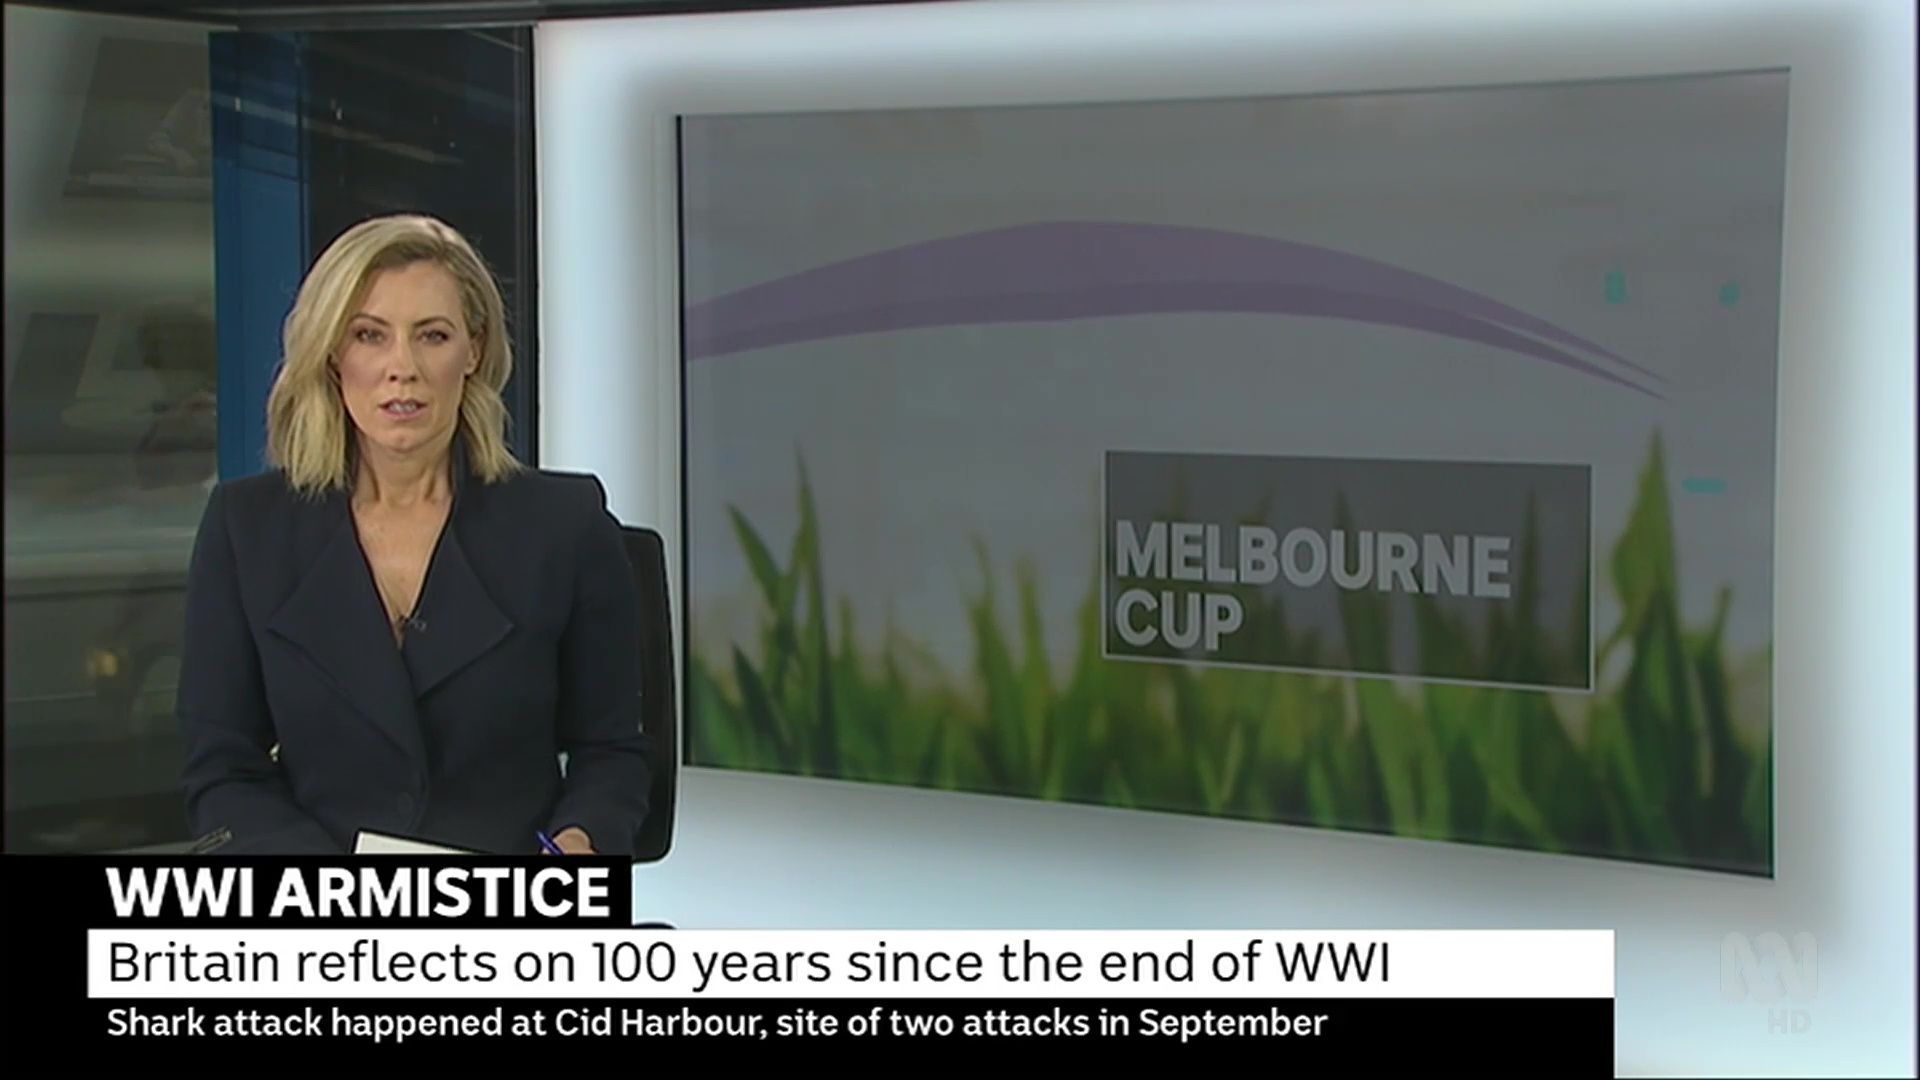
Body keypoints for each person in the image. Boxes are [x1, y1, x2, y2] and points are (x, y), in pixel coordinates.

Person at [176, 213, 651, 855]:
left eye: (432, 335)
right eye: (369, 335)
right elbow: (222, 771)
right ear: (333, 354)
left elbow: (612, 752)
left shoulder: (565, 524)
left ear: (473, 350)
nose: (402, 367)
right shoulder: (247, 530)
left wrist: (578, 843)